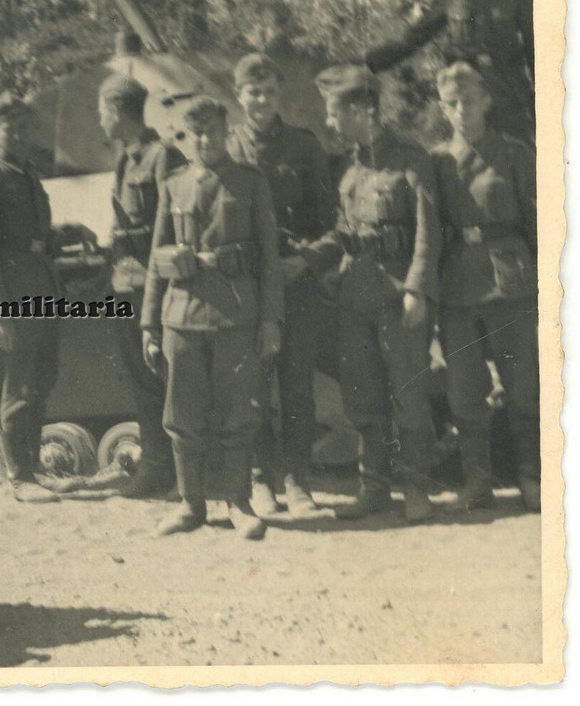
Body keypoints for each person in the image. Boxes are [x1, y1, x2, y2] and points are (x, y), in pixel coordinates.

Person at [140, 95, 284, 540]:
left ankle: (238, 503)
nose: (205, 140)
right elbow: (155, 256)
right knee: (182, 414)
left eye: (213, 132)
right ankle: (190, 504)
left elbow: (270, 259)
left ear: (227, 132)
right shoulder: (173, 184)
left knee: (237, 413)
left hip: (234, 314)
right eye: (194, 133)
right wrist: (148, 322)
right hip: (181, 317)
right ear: (184, 138)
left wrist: (271, 320)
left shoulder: (250, 182)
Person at [314, 65, 440, 523]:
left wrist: (417, 290)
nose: (330, 122)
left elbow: (428, 232)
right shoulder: (348, 166)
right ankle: (375, 487)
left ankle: (417, 489)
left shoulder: (410, 158)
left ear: (363, 109)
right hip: (356, 296)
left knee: (409, 394)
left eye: (334, 113)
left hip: (397, 294)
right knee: (363, 396)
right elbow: (346, 229)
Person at [226, 53, 338, 519]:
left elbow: (333, 221)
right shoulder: (227, 149)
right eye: (253, 91)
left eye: (270, 91)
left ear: (279, 95)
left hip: (296, 281)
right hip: (247, 286)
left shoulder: (304, 147)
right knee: (252, 386)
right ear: (238, 95)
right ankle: (259, 479)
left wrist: (307, 259)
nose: (261, 100)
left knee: (295, 387)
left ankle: (297, 481)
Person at [430, 61, 540, 512]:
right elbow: (431, 227)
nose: (462, 111)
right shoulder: (436, 160)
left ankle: (532, 477)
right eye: (452, 104)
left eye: (469, 101)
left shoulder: (513, 153)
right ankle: (478, 482)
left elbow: (539, 219)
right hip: (457, 285)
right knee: (465, 389)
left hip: (508, 280)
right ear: (442, 108)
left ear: (487, 102)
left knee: (523, 387)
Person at [0, 92, 65, 504]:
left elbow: (36, 236)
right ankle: (19, 475)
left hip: (42, 288)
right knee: (16, 386)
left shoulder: (28, 174)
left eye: (25, 126)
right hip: (13, 295)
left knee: (41, 379)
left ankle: (34, 467)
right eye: (11, 127)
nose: (20, 134)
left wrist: (71, 234)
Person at [97, 72, 187, 498]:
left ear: (116, 111)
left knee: (169, 379)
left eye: (102, 112)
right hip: (125, 286)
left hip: (156, 288)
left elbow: (168, 231)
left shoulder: (162, 156)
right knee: (141, 380)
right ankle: (156, 464)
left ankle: (186, 472)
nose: (100, 121)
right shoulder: (125, 160)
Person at [365, 0, 535, 144]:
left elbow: (535, 48)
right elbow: (413, 38)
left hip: (509, 95)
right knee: (472, 160)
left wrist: (541, 95)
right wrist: (368, 63)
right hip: (466, 97)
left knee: (520, 155)